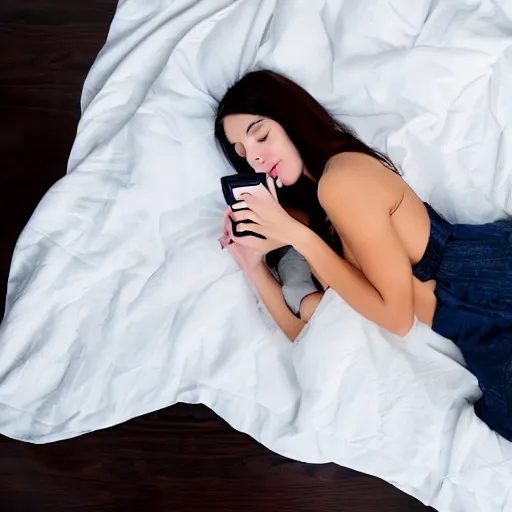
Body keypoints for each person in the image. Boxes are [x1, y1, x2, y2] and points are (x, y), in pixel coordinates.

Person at [214, 69, 512, 441]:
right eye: (242, 155)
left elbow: (397, 319)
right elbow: (311, 332)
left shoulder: (340, 182)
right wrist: (252, 266)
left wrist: (297, 236)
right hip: (476, 319)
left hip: (490, 287)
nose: (255, 158)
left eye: (261, 135)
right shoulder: (315, 211)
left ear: (290, 120)